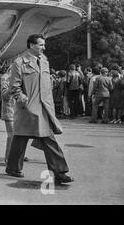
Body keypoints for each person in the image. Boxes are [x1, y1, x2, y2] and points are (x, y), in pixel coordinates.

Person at [5, 34, 73, 184]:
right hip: (28, 108)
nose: (44, 48)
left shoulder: (44, 61)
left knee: (38, 138)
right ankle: (14, 168)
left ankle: (58, 172)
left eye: (44, 45)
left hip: (44, 108)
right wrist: (23, 99)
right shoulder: (19, 63)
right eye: (41, 45)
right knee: (24, 138)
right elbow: (14, 87)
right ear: (31, 45)